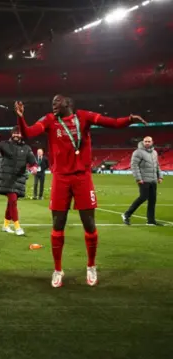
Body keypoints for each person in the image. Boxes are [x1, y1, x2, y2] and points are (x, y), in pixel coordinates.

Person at [16, 95, 147, 288]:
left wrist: (129, 119)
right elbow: (28, 133)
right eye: (52, 102)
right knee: (58, 223)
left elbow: (111, 123)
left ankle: (91, 266)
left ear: (68, 104)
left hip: (82, 178)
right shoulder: (50, 120)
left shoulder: (84, 117)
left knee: (89, 222)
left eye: (57, 102)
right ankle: (58, 269)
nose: (53, 105)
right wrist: (20, 117)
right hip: (61, 178)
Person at [0, 128, 37, 236]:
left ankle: (5, 225)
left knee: (10, 203)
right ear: (12, 134)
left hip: (18, 179)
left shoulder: (26, 148)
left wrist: (34, 167)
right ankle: (17, 227)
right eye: (15, 133)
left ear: (21, 135)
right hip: (7, 178)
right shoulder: (5, 144)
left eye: (18, 133)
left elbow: (32, 161)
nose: (16, 135)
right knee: (13, 201)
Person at [122, 136, 164, 226]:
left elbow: (157, 165)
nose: (147, 143)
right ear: (143, 142)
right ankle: (126, 214)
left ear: (152, 142)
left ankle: (151, 221)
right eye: (146, 141)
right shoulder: (138, 152)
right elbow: (134, 166)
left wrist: (160, 176)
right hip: (143, 179)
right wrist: (138, 178)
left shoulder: (154, 152)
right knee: (143, 197)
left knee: (152, 200)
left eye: (149, 141)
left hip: (153, 180)